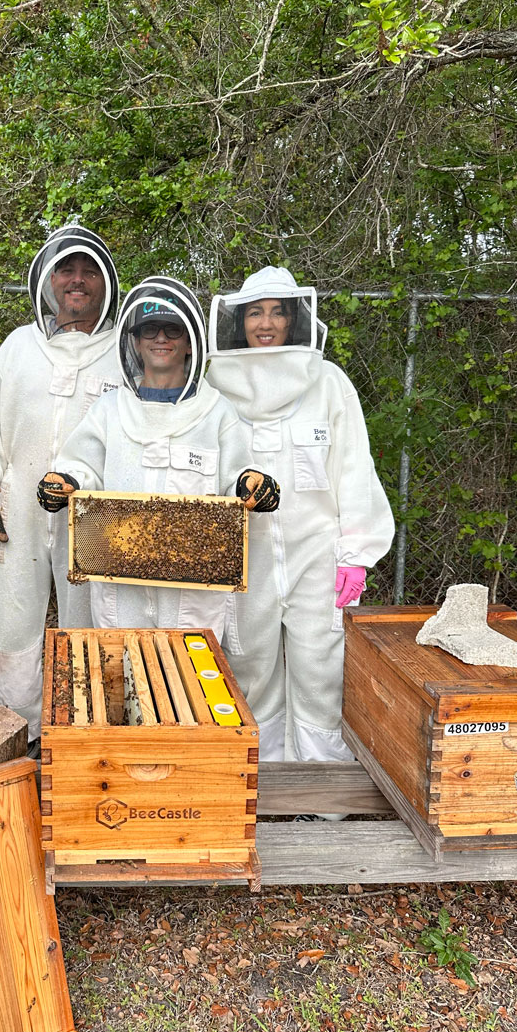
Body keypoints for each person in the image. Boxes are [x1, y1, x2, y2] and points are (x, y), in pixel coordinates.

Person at [206, 265, 394, 784]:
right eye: (255, 312)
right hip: (246, 553)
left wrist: (357, 550)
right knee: (251, 665)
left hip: (319, 552)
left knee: (321, 669)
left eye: (277, 313)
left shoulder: (328, 382)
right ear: (238, 321)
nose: (265, 324)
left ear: (295, 320)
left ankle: (322, 791)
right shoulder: (214, 385)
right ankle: (261, 786)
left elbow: (354, 467)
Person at [37, 277, 280, 644]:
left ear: (189, 343)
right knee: (123, 676)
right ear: (135, 341)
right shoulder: (109, 409)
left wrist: (252, 485)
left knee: (190, 686)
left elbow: (237, 478)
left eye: (173, 330)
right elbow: (82, 467)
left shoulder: (217, 412)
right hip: (121, 588)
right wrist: (66, 482)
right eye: (150, 329)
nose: (161, 339)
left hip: (193, 593)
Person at [0, 225, 121, 747]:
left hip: (99, 510)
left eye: (89, 270)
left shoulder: (126, 350)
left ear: (106, 282)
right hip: (19, 503)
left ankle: (82, 735)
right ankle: (18, 731)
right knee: (12, 617)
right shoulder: (18, 346)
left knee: (91, 619)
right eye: (66, 269)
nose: (77, 280)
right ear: (47, 280)